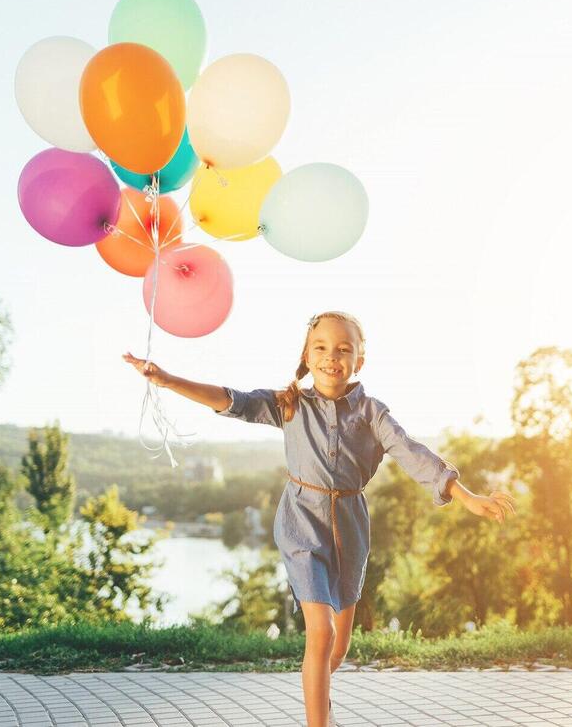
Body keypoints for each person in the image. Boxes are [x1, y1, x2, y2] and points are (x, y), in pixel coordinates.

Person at [123, 310, 517, 727]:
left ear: (359, 361)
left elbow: (410, 451)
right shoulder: (289, 405)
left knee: (339, 647)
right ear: (307, 357)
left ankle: (318, 699)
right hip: (301, 526)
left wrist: (464, 494)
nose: (332, 356)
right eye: (322, 347)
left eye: (344, 349)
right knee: (322, 632)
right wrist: (168, 380)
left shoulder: (371, 413)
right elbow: (231, 400)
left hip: (350, 529)